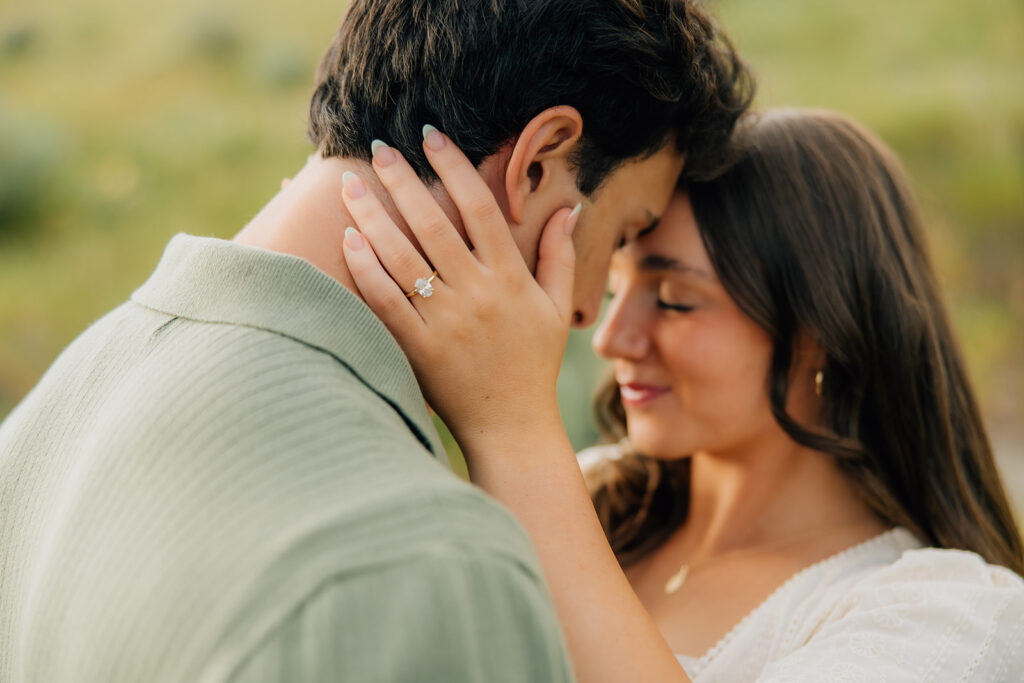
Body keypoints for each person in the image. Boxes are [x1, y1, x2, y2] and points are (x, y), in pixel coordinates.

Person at [0, 1, 752, 681]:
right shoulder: (414, 564)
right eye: (621, 233)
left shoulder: (58, 404)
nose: (590, 313)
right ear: (538, 161)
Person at [339, 108, 1024, 682]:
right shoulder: (586, 497)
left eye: (672, 299)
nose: (609, 337)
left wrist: (511, 425)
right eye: (613, 287)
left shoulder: (948, 617)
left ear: (819, 330)